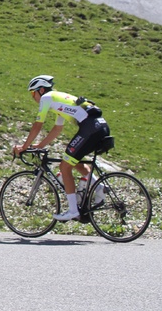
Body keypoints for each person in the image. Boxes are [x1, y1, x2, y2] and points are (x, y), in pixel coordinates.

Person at [12, 75, 110, 221]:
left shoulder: (46, 98)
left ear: (41, 90)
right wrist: (39, 146)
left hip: (90, 128)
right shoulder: (58, 101)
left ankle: (73, 210)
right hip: (99, 126)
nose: (33, 97)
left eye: (33, 93)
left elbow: (38, 125)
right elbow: (57, 129)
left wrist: (24, 147)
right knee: (71, 159)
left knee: (65, 167)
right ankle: (99, 187)